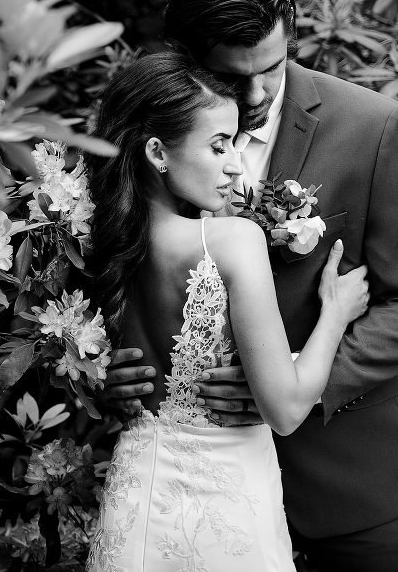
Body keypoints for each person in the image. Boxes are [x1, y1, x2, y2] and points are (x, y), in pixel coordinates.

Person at [105, 0, 398, 571]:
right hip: (200, 513)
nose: (258, 92)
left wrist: (294, 377)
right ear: (185, 56)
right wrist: (110, 372)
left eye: (273, 66)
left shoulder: (371, 128)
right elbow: (117, 276)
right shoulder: (144, 138)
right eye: (235, 77)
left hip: (360, 499)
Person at [84, 51, 369, 571]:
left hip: (135, 504)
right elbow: (284, 410)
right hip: (227, 514)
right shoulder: (232, 241)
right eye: (218, 147)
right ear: (157, 152)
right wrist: (335, 312)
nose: (235, 166)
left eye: (236, 144)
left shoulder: (100, 245)